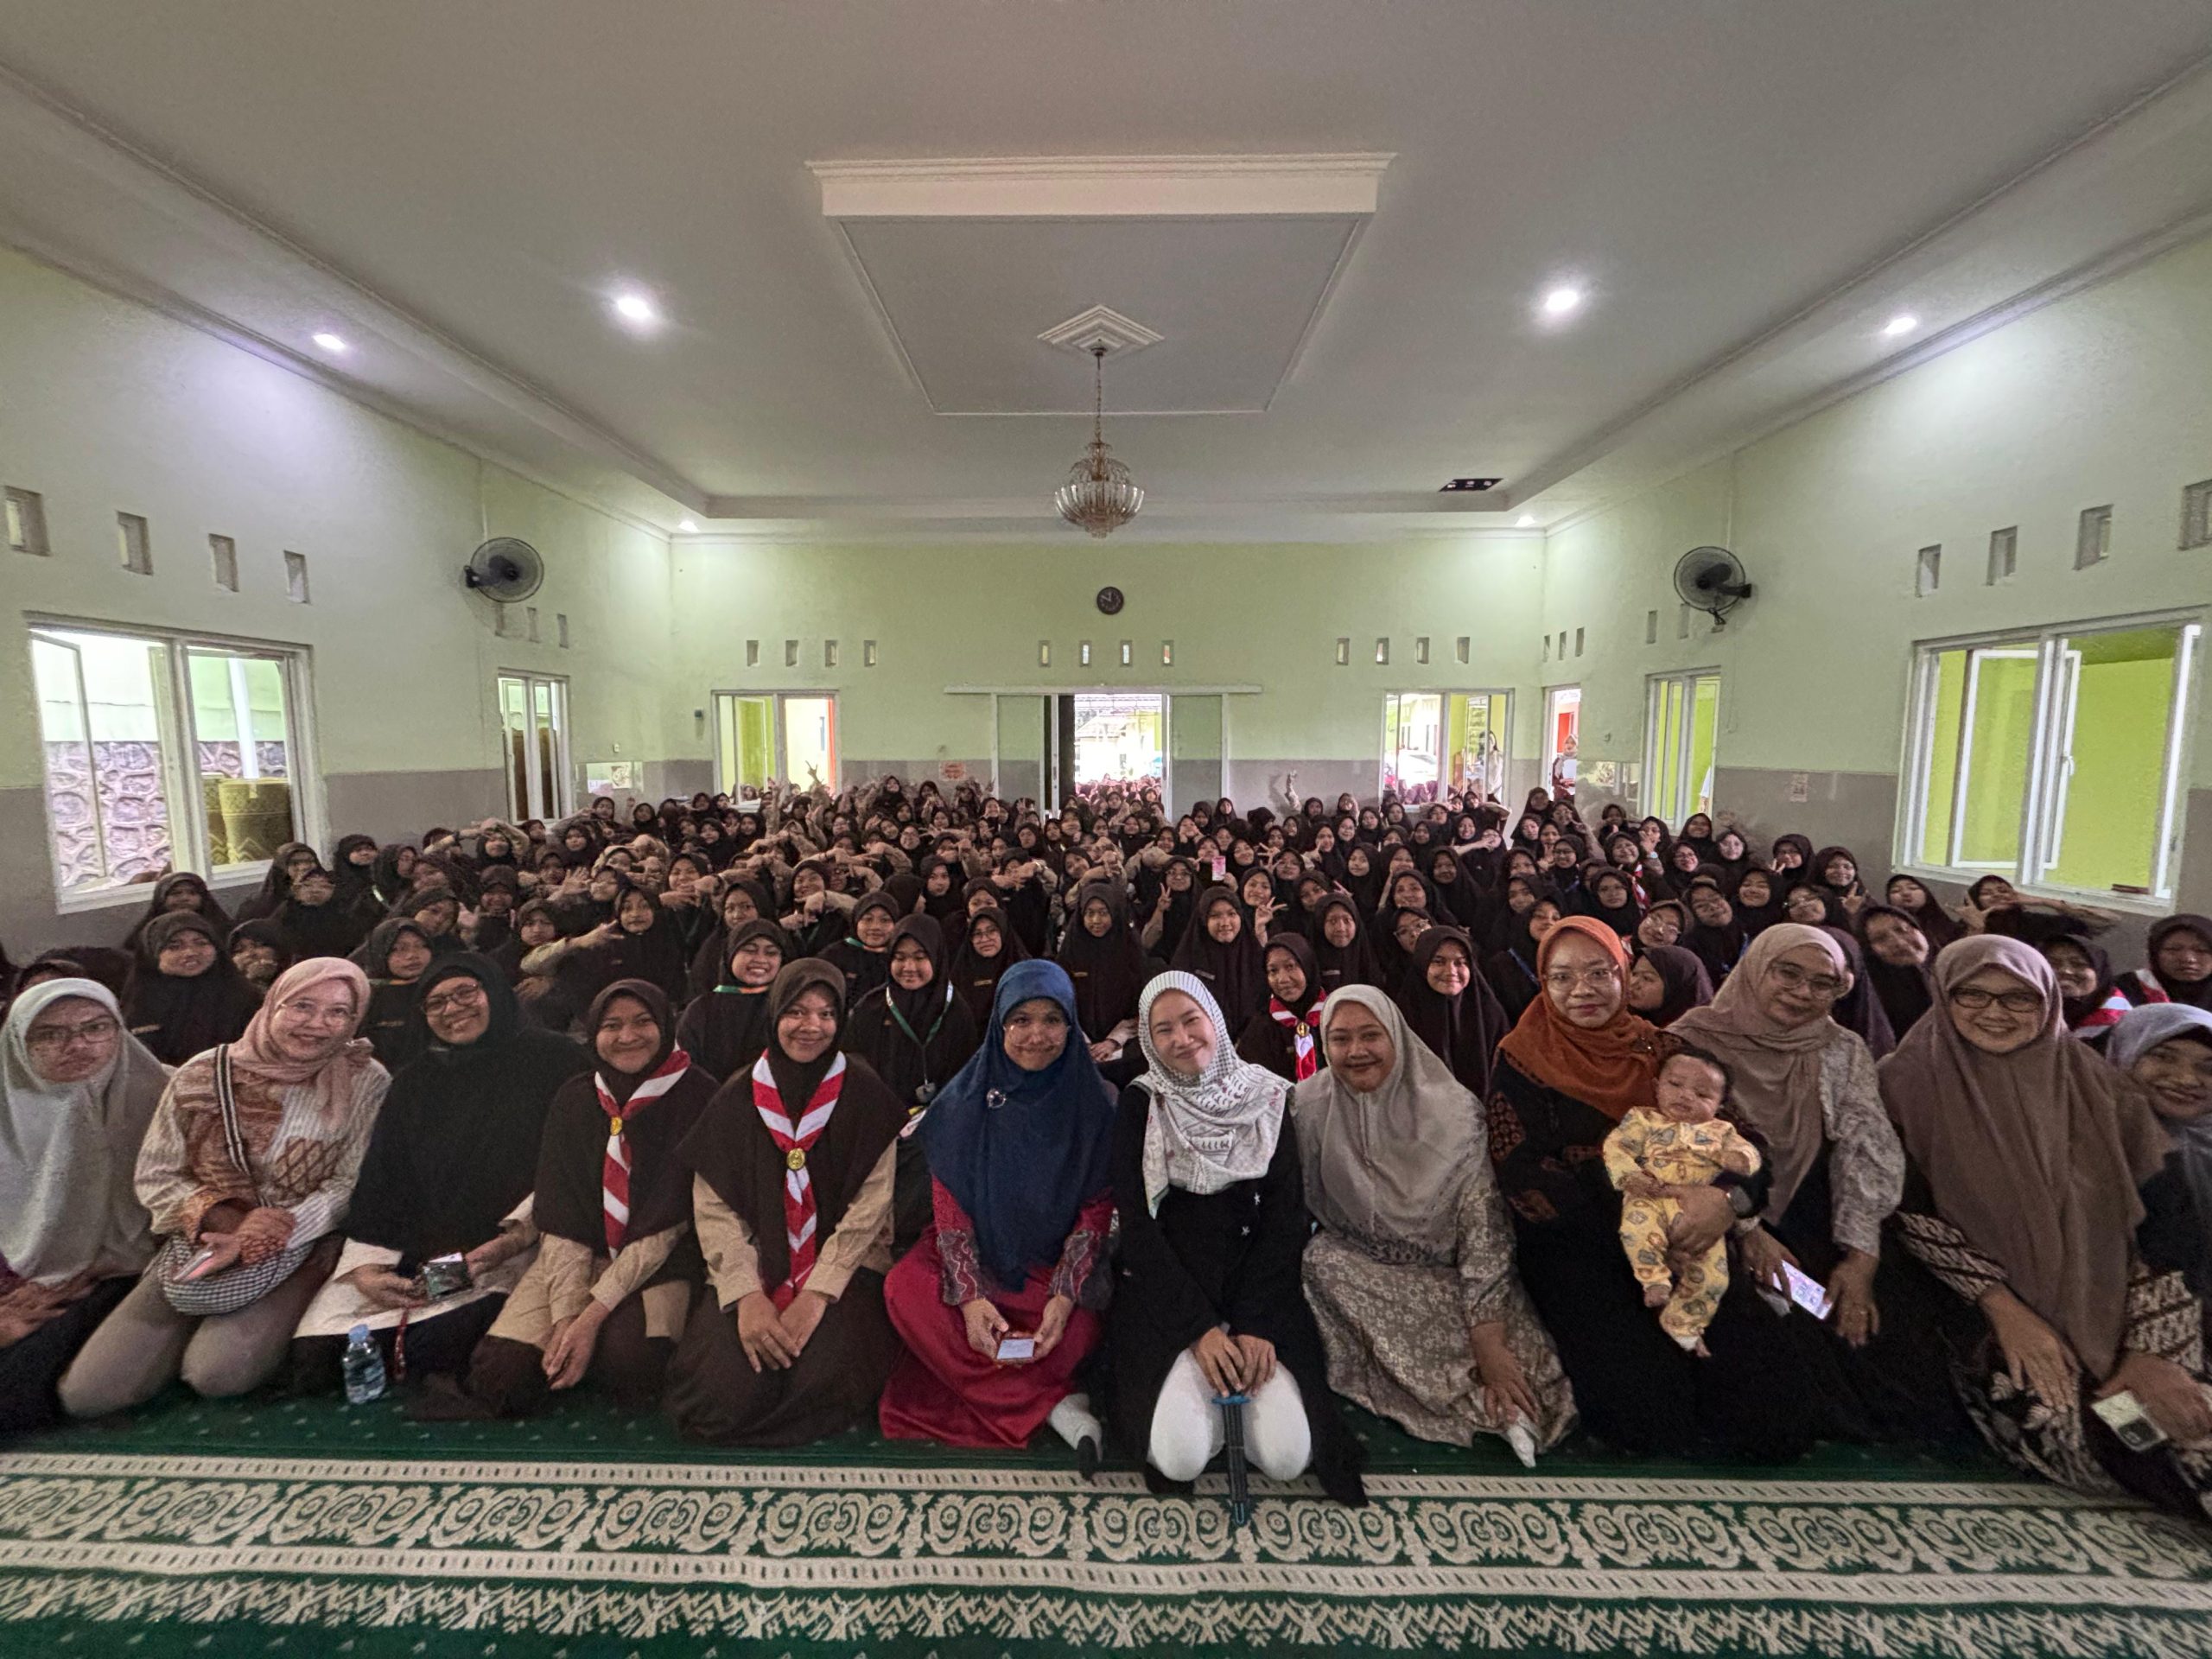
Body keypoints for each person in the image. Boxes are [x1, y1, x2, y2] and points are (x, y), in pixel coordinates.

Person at [1881, 938, 2212, 1516]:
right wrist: (2006, 1311)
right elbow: (1910, 1214)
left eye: (2020, 998)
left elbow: (2167, 1228)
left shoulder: (2100, 1088)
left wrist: (2153, 1354)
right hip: (1979, 1316)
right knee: (2104, 1431)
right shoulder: (1903, 1083)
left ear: (2049, 1002)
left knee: (2189, 1416)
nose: (1995, 1012)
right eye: (1972, 995)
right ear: (1943, 994)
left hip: (2125, 1313)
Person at [1488, 918, 1822, 1460]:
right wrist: (1640, 1220)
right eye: (1563, 977)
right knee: (1645, 1422)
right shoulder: (1523, 1057)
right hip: (1584, 1247)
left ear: (1622, 974)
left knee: (1776, 1421)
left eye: (1599, 973)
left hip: (1695, 1239)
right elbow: (1525, 1177)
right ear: (1543, 983)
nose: (1583, 990)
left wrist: (1726, 1202)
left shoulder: (1664, 1052)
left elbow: (1746, 1143)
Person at [60, 959, 390, 1417]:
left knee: (217, 1374)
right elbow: (157, 1174)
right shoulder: (205, 1073)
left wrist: (266, 1234)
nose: (317, 1024)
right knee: (89, 1394)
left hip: (300, 1244)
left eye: (338, 1012)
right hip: (204, 1238)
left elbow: (346, 1185)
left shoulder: (364, 1080)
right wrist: (227, 1221)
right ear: (273, 1005)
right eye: (302, 1006)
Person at [1107, 974, 1366, 1501]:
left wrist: (1254, 1324)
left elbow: (1285, 1221)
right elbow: (1137, 1227)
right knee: (1179, 1459)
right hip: (1171, 1300)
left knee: (1286, 1458)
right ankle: (1211, 1396)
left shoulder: (1266, 1097)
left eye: (1191, 1021)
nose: (1182, 1039)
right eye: (1163, 1030)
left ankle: (1230, 1402)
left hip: (1257, 1293)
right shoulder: (1143, 1104)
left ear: (1215, 1020)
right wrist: (1199, 1331)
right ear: (1149, 1041)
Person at [288, 955, 585, 1391]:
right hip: (419, 1243)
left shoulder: (557, 1060)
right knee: (317, 1357)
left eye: (466, 992)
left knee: (436, 1346)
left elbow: (575, 1163)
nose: (453, 1009)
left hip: (516, 1239)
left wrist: (502, 1245)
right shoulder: (414, 1080)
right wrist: (367, 1268)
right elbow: (382, 1176)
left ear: (494, 993)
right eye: (436, 1002)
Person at [1296, 985, 1573, 1453]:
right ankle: (1477, 1404)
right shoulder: (1309, 1108)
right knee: (1319, 1261)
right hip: (1364, 1274)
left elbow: (1485, 1230)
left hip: (1455, 1276)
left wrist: (1487, 1338)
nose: (1356, 1051)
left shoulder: (1454, 1113)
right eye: (1340, 1039)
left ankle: (1492, 1396)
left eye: (1371, 1035)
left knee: (1529, 1374)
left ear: (1398, 1037)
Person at [666, 961, 908, 1445]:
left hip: (844, 1265)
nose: (811, 1026)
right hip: (756, 1261)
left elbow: (870, 1209)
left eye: (826, 1014)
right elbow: (715, 1210)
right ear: (775, 1014)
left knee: (818, 1379)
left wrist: (817, 1295)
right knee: (719, 1395)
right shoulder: (738, 1095)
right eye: (796, 1012)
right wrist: (747, 1296)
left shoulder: (865, 1093)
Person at [445, 981, 713, 1416]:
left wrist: (590, 1321)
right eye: (612, 1025)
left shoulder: (697, 1095)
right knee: (500, 1376)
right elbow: (561, 1212)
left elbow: (667, 1225)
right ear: (593, 1033)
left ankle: (597, 1347)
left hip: (661, 1259)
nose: (627, 1036)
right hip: (582, 1250)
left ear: (666, 1026)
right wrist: (566, 1317)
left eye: (642, 1022)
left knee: (631, 1362)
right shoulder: (577, 1097)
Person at [880, 961, 1114, 1457]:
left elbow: (1095, 1209)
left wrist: (1064, 1295)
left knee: (1079, 1331)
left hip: (1048, 1266)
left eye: (1052, 1020)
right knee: (905, 1289)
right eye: (1021, 1020)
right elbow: (949, 1204)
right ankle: (1049, 1405)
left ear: (1071, 1025)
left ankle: (988, 1389)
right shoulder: (963, 1101)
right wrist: (969, 1298)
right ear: (999, 1025)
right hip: (972, 1255)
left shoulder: (1095, 1104)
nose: (1037, 1035)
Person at [0, 980, 168, 1433]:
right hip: (21, 1275)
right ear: (18, 1043)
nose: (77, 1045)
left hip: (129, 1271)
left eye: (95, 1027)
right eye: (49, 1034)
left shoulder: (170, 1093)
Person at [1605, 1047, 1761, 1354]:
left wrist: (1741, 1160)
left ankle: (1683, 1322)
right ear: (1656, 1087)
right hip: (1651, 1196)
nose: (1685, 1096)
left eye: (1702, 1094)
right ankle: (1654, 1279)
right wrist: (1629, 1175)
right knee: (1636, 1231)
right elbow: (1616, 1147)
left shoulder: (1721, 1131)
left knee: (1715, 1277)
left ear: (1719, 1105)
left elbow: (1750, 1153)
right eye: (1675, 1085)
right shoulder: (1643, 1120)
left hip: (1699, 1210)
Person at [842, 917, 982, 1248]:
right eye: (900, 957)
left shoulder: (956, 1011)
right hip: (878, 1117)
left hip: (935, 1120)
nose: (909, 967)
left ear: (937, 958)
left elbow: (965, 1080)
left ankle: (907, 1236)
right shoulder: (871, 1008)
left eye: (920, 957)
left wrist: (930, 1116)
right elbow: (851, 1069)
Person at [2107, 1004, 2212, 1292]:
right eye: (2163, 1057)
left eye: (2208, 1067)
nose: (2185, 1079)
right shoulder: (2093, 1139)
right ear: (2125, 1054)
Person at [122, 912, 263, 1065]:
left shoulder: (243, 995)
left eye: (201, 943)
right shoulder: (141, 1002)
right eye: (174, 947)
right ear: (153, 953)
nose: (190, 952)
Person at [1393, 927, 1508, 1099]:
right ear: (1422, 964)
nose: (1451, 971)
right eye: (1439, 962)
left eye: (1460, 962)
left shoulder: (1490, 1014)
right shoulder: (1405, 1015)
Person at [675, 920, 788, 1082]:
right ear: (730, 954)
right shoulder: (702, 1009)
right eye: (749, 950)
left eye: (771, 953)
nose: (760, 959)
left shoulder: (786, 1007)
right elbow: (684, 1065)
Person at [1171, 886, 1267, 1033]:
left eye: (1231, 914)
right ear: (1204, 921)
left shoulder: (1253, 954)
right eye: (1215, 916)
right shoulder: (1187, 961)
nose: (1225, 923)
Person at [1235, 935, 1328, 1082]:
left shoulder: (1334, 1016)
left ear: (1307, 966)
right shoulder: (1260, 1028)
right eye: (1273, 971)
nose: (1283, 979)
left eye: (1290, 967)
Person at [2118, 914, 2212, 1011]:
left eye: (2202, 950)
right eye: (2173, 949)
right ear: (2155, 953)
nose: (2188, 959)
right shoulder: (2124, 988)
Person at [1624, 944, 1713, 1027]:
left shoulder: (1697, 1032)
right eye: (1634, 974)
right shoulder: (1623, 1020)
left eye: (1647, 978)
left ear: (1676, 989)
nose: (1633, 983)